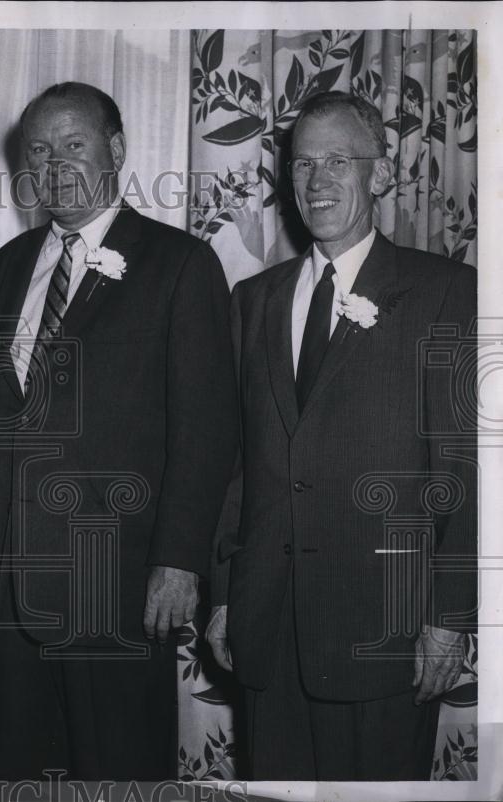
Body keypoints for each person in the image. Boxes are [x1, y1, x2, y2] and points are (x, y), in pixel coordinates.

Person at [206, 91, 477, 780]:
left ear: (379, 173)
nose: (317, 180)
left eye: (337, 161)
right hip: (269, 628)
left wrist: (449, 616)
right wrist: (226, 595)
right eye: (303, 164)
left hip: (387, 634)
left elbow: (464, 471)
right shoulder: (252, 301)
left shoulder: (446, 292)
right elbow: (236, 467)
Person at [0, 82, 238, 779]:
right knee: (21, 777)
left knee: (118, 775)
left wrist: (179, 560)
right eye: (38, 151)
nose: (55, 164)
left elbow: (207, 429)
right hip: (9, 591)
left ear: (115, 149)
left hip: (118, 587)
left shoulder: (180, 264)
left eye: (73, 144)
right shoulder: (3, 270)